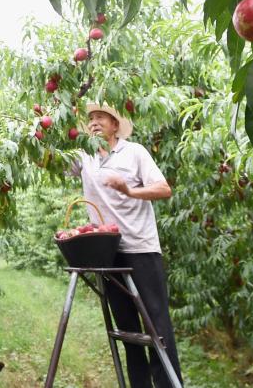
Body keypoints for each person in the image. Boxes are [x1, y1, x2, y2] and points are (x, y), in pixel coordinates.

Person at [76, 102, 183, 388]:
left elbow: (164, 188)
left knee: (157, 326)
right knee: (126, 328)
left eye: (101, 117)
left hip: (141, 248)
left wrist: (129, 190)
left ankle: (169, 385)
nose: (94, 122)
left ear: (115, 124)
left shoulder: (134, 152)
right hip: (107, 252)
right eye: (91, 119)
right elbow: (46, 159)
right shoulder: (85, 157)